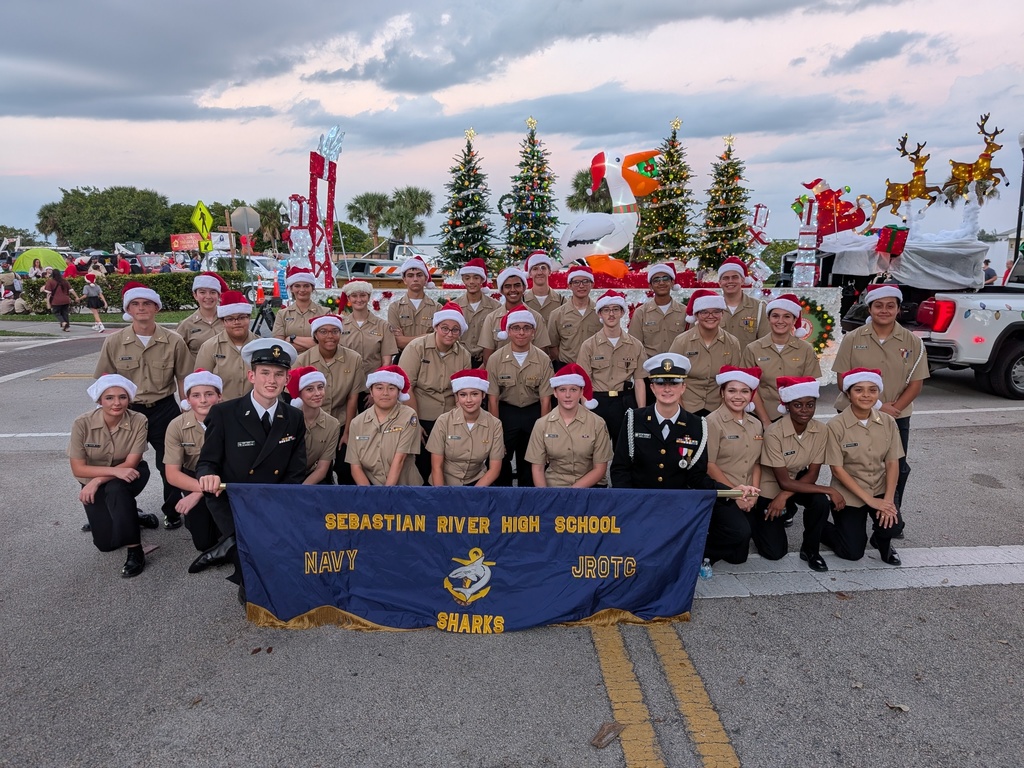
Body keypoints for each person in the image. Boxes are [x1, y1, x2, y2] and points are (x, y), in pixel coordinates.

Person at [195, 338, 307, 604]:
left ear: (286, 379)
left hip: (274, 498)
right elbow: (207, 462)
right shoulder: (224, 413)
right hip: (234, 499)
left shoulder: (293, 417)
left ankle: (235, 551)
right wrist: (207, 476)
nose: (271, 380)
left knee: (274, 544)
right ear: (251, 375)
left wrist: (283, 505)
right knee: (252, 544)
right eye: (265, 373)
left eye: (279, 374)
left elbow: (296, 468)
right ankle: (247, 578)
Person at [95, 281, 192, 530]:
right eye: (135, 304)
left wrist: (186, 406)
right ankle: (123, 510)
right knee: (120, 462)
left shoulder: (173, 340)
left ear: (156, 308)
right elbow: (105, 379)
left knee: (170, 462)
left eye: (147, 303)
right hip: (127, 411)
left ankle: (171, 511)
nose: (141, 309)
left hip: (164, 408)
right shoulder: (115, 342)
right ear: (128, 309)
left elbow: (183, 376)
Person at [832, 283, 927, 513]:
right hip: (853, 413)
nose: (884, 310)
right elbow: (843, 379)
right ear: (870, 308)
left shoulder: (912, 341)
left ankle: (890, 512)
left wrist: (891, 410)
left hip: (897, 415)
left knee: (897, 467)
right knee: (853, 464)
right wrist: (877, 406)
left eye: (890, 306)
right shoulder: (852, 338)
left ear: (898, 309)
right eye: (878, 306)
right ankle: (850, 511)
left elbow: (916, 383)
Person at [752, 377, 843, 572]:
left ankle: (811, 550)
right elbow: (783, 481)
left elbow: (812, 474)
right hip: (770, 487)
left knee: (819, 502)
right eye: (798, 405)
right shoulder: (774, 432)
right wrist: (830, 490)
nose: (804, 410)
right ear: (788, 406)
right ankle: (755, 521)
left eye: (810, 405)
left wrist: (784, 497)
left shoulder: (820, 430)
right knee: (774, 552)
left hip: (796, 483)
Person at [68, 374, 152, 578]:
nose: (117, 403)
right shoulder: (82, 423)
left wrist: (97, 480)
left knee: (116, 489)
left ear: (129, 399)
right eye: (109, 398)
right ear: (99, 400)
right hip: (99, 478)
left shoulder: (139, 420)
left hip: (131, 474)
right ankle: (133, 516)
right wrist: (112, 472)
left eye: (122, 397)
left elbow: (131, 463)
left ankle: (135, 550)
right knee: (106, 545)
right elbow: (78, 469)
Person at [823, 368, 904, 566]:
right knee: (851, 552)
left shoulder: (888, 422)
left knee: (894, 526)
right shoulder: (836, 425)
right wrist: (870, 501)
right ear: (848, 394)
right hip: (849, 492)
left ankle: (883, 542)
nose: (866, 395)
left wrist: (888, 501)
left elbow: (893, 462)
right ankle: (821, 528)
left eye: (872, 390)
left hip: (879, 487)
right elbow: (837, 470)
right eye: (859, 390)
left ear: (878, 393)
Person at [610, 352, 716, 490]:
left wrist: (731, 491)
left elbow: (697, 477)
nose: (667, 389)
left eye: (674, 383)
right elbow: (620, 469)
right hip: (639, 503)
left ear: (683, 387)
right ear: (652, 387)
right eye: (660, 383)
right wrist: (629, 503)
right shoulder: (633, 419)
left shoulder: (697, 425)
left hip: (678, 506)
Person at [398, 302, 472, 483]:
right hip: (420, 413)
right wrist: (415, 422)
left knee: (447, 465)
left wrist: (456, 422)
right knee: (422, 465)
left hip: (449, 417)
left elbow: (462, 392)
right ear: (436, 327)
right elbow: (407, 386)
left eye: (455, 330)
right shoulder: (416, 347)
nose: (449, 333)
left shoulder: (464, 355)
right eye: (445, 328)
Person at [485, 308, 553, 487]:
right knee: (500, 459)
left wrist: (543, 433)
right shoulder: (495, 359)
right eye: (515, 328)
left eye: (526, 328)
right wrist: (495, 433)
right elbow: (493, 399)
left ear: (533, 332)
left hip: (533, 413)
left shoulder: (543, 359)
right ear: (507, 331)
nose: (521, 332)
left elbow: (545, 400)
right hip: (506, 413)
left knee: (531, 462)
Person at [704, 366, 764, 565]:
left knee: (738, 558)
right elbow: (710, 465)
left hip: (747, 492)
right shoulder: (711, 422)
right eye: (732, 390)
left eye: (744, 391)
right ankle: (701, 553)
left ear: (751, 394)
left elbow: (756, 462)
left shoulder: (755, 424)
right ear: (722, 393)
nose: (738, 396)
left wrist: (753, 495)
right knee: (740, 532)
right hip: (723, 493)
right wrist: (736, 494)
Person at [296, 314, 365, 484]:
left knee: (345, 468)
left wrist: (347, 431)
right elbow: (296, 397)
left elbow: (352, 397)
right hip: (311, 423)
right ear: (315, 335)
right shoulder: (302, 360)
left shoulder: (354, 358)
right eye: (323, 332)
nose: (330, 336)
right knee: (315, 469)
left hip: (342, 420)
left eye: (335, 331)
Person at [164, 370, 224, 563]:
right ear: (188, 400)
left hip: (225, 477)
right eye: (196, 395)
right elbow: (172, 474)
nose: (204, 400)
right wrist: (200, 489)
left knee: (230, 535)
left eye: (209, 394)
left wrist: (197, 495)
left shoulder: (232, 420)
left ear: (219, 396)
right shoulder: (176, 426)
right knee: (204, 543)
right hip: (193, 479)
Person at [577, 290, 648, 447]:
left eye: (616, 309)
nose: (611, 314)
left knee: (624, 449)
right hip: (597, 401)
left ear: (622, 312)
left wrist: (641, 412)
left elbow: (639, 381)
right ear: (600, 314)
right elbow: (583, 382)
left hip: (624, 401)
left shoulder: (635, 345)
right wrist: (585, 409)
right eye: (606, 310)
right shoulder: (589, 345)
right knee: (593, 449)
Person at [525, 364, 612, 488]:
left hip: (590, 488)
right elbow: (537, 468)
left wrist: (571, 493)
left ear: (581, 392)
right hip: (554, 488)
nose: (567, 395)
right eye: (562, 390)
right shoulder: (541, 424)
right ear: (555, 393)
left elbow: (600, 469)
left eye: (573, 390)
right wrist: (545, 496)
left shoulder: (597, 423)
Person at [741, 293, 821, 424]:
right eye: (775, 316)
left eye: (787, 316)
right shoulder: (753, 349)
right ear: (768, 319)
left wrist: (797, 419)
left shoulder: (806, 349)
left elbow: (809, 388)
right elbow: (749, 388)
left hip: (795, 418)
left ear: (794, 320)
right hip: (760, 417)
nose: (780, 321)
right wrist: (765, 421)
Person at [345, 365, 423, 486]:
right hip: (372, 488)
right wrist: (370, 494)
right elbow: (355, 466)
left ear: (398, 392)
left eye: (391, 388)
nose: (385, 393)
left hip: (405, 487)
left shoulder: (409, 415)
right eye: (379, 388)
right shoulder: (357, 422)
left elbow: (400, 459)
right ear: (371, 391)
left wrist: (385, 494)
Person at [426, 369, 505, 487]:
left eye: (474, 394)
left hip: (478, 483)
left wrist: (472, 494)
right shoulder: (443, 421)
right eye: (463, 395)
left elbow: (495, 469)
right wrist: (441, 496)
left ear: (483, 395)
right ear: (457, 397)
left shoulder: (495, 424)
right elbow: (436, 466)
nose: (468, 400)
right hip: (445, 483)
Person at [668, 289, 741, 415]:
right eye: (704, 312)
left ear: (722, 313)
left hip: (719, 409)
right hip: (687, 407)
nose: (710, 316)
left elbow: (734, 380)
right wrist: (680, 413)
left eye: (716, 312)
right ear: (696, 315)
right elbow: (672, 378)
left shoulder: (732, 343)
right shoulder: (681, 342)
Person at [479, 267, 552, 365]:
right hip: (500, 375)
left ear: (524, 288)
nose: (513, 290)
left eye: (517, 285)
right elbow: (488, 358)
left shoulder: (536, 317)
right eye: (508, 286)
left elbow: (542, 354)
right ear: (502, 289)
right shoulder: (491, 319)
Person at [194, 290, 257, 401]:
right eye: (230, 319)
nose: (236, 322)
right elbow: (200, 385)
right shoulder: (209, 348)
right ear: (223, 322)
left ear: (249, 319)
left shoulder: (261, 346)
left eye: (242, 317)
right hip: (222, 411)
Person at [287, 366, 341, 486]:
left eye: (320, 387)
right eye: (309, 389)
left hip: (313, 480)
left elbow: (322, 469)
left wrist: (300, 491)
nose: (317, 393)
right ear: (299, 394)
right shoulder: (286, 420)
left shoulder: (333, 424)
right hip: (286, 479)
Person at [338, 280, 398, 380]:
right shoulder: (340, 325)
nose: (359, 299)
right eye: (354, 296)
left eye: (362, 295)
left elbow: (386, 362)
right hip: (346, 384)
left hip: (372, 384)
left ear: (369, 297)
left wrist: (376, 386)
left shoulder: (383, 326)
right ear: (348, 298)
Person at [627, 263, 687, 359]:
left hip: (678, 367)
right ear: (650, 286)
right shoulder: (641, 313)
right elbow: (633, 346)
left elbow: (691, 344)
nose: (661, 283)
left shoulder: (685, 312)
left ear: (672, 283)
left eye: (665, 279)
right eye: (656, 280)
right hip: (649, 368)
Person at [547, 264, 601, 370]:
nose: (581, 286)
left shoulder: (600, 312)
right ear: (569, 285)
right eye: (576, 282)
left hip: (595, 369)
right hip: (566, 368)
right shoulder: (557, 315)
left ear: (592, 284)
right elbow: (552, 346)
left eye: (586, 281)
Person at [454, 259, 500, 368]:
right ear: (463, 280)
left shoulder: (495, 307)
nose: (471, 282)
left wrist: (486, 364)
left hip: (487, 362)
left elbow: (498, 340)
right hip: (459, 362)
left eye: (476, 277)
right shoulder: (455, 306)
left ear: (482, 280)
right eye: (467, 278)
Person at [387, 256, 439, 350]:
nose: (415, 279)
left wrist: (405, 339)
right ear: (404, 280)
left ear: (426, 279)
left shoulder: (437, 308)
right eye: (410, 276)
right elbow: (398, 342)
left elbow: (439, 339)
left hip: (430, 357)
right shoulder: (395, 308)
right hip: (403, 358)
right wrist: (427, 336)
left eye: (419, 275)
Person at [272, 266, 326, 353]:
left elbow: (326, 343)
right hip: (291, 363)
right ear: (291, 289)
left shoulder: (325, 313)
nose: (302, 290)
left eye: (306, 286)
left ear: (312, 288)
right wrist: (314, 343)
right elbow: (279, 346)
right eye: (297, 286)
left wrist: (292, 339)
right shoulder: (282, 314)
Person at [176, 272, 228, 362]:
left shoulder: (229, 320)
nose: (208, 297)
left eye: (213, 292)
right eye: (202, 292)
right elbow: (178, 357)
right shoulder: (186, 325)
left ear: (219, 295)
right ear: (195, 295)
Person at [717, 257, 767, 349]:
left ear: (743, 280)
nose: (730, 281)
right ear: (720, 282)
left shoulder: (760, 308)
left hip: (748, 363)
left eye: (735, 277)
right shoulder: (712, 308)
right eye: (726, 278)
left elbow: (766, 342)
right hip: (719, 363)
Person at [523, 250, 565, 325]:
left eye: (543, 268)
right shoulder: (522, 301)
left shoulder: (562, 302)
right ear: (530, 273)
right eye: (535, 269)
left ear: (549, 271)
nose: (539, 272)